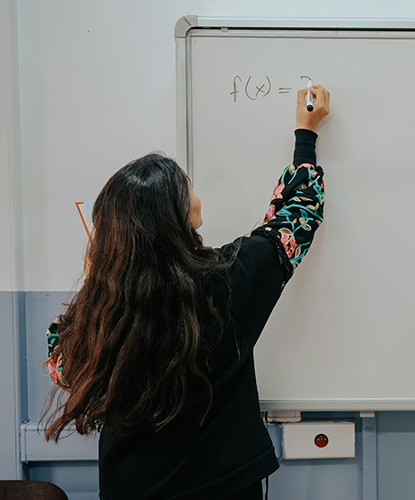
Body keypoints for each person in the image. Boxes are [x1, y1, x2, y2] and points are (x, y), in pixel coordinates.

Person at [41, 85, 331, 500]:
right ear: (179, 215)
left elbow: (62, 365)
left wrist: (95, 281)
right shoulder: (228, 280)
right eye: (188, 186)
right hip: (224, 487)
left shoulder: (105, 308)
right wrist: (306, 132)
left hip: (132, 489)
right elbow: (297, 213)